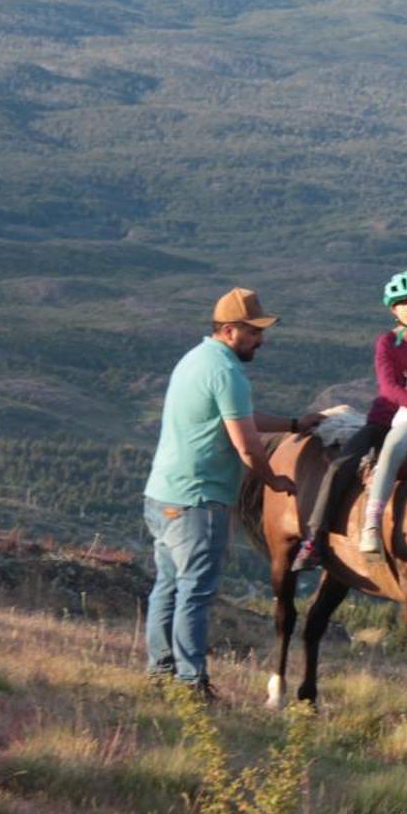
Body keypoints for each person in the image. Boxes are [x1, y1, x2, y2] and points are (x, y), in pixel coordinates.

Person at [144, 287, 324, 700]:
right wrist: (273, 481)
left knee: (168, 585)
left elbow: (241, 416)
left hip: (162, 494)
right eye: (254, 332)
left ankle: (160, 671)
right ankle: (191, 683)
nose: (261, 340)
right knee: (195, 590)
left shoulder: (196, 359)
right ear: (229, 331)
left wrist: (294, 424)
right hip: (198, 500)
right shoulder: (226, 371)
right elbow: (246, 444)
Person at [292, 269, 407, 570]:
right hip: (385, 422)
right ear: (393, 309)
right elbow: (389, 388)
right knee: (340, 467)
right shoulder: (387, 342)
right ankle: (314, 541)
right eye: (404, 303)